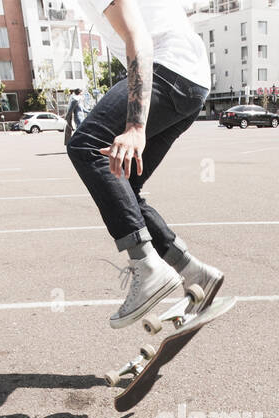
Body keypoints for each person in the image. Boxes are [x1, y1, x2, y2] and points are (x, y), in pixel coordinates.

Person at [68, 0, 221, 329]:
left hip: (167, 69)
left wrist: (135, 127)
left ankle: (146, 265)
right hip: (191, 82)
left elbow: (139, 36)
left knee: (86, 145)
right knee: (124, 185)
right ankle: (194, 272)